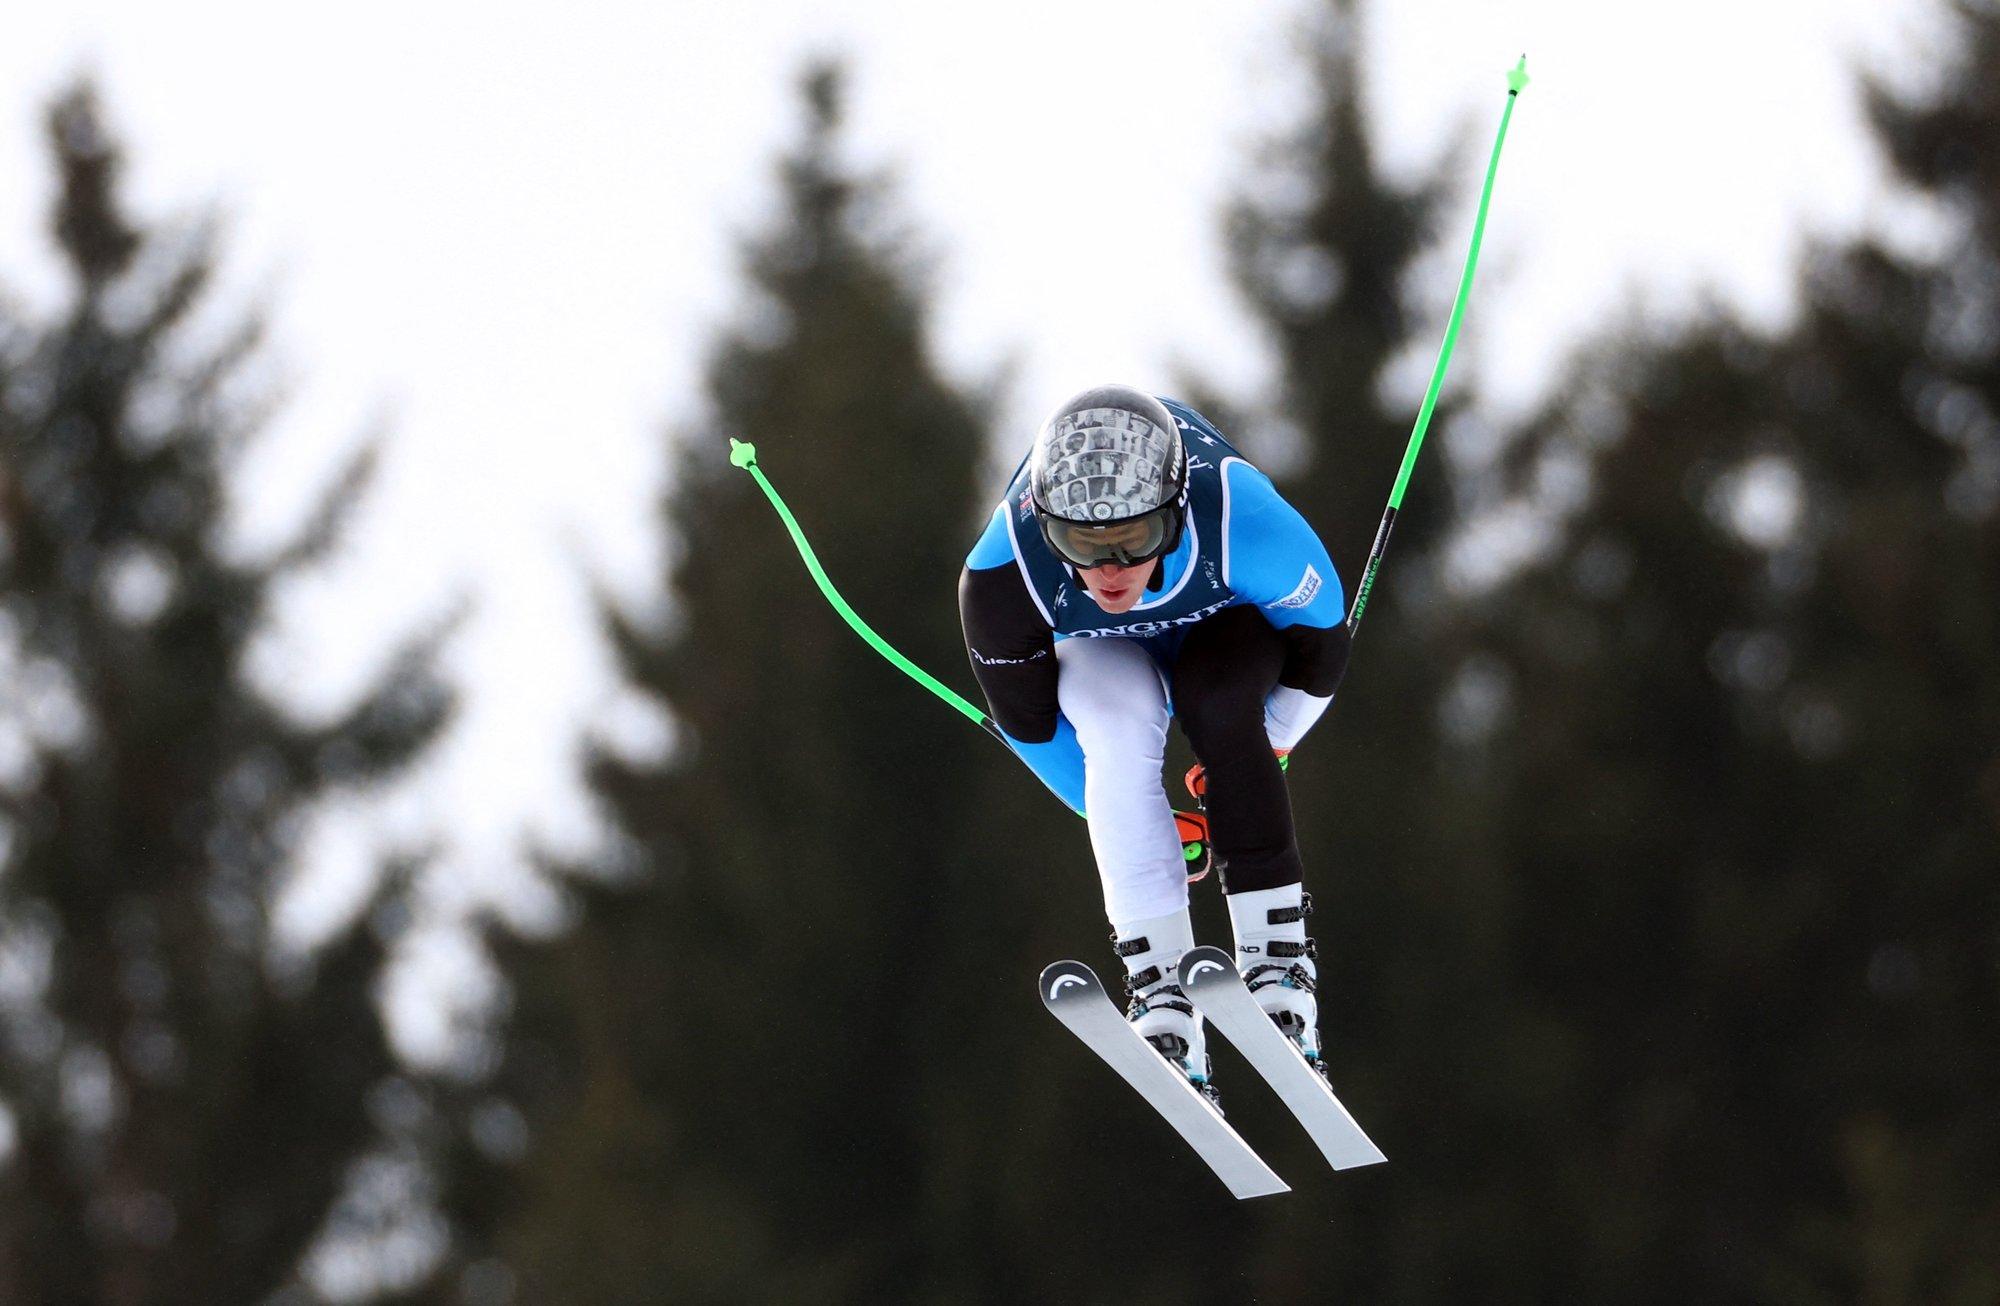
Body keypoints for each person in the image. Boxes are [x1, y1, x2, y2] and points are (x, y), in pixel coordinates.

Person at [959, 384, 1352, 1099]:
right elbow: (1033, 726)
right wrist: (1123, 815)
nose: (1110, 571)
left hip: (1227, 629)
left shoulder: (1246, 524)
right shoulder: (1003, 577)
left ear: (1172, 515)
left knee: (1219, 700)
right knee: (1112, 726)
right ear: (1047, 525)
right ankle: (1161, 989)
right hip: (1102, 652)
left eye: (1133, 540)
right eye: (1081, 544)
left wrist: (1266, 746)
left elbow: (1320, 655)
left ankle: (1281, 966)